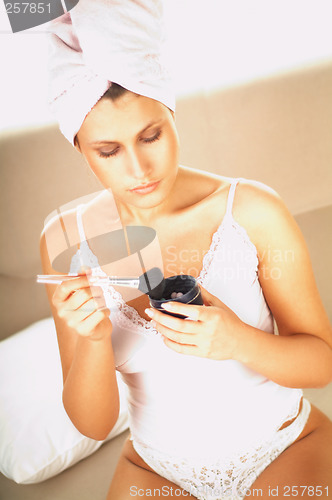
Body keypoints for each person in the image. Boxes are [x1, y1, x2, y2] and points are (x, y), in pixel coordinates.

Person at [41, 2, 332, 499]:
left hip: (284, 445)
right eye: (108, 151)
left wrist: (237, 341)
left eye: (151, 135)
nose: (139, 168)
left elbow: (321, 364)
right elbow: (92, 424)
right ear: (80, 150)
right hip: (156, 471)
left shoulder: (252, 210)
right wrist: (91, 339)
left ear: (172, 114)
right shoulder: (66, 240)